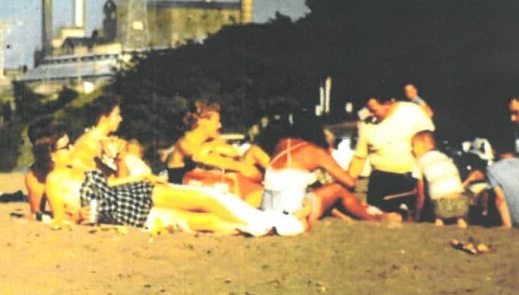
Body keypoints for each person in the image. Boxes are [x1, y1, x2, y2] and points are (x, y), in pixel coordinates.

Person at [41, 123, 305, 236]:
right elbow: (59, 220)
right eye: (63, 147)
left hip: (134, 194)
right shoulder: (54, 180)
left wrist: (142, 178)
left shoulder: (77, 164)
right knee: (203, 219)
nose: (70, 149)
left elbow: (108, 185)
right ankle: (261, 228)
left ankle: (269, 223)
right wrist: (77, 218)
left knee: (204, 201)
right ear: (50, 154)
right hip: (124, 213)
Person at [248, 108, 402, 225]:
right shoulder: (315, 152)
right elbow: (349, 182)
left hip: (268, 208)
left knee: (316, 189)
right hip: (296, 212)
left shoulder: (282, 144)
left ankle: (353, 213)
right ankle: (373, 218)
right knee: (338, 189)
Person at [348, 95, 435, 218]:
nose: (371, 114)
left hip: (412, 180)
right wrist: (347, 183)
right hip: (380, 181)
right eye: (368, 109)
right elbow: (359, 158)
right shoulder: (367, 124)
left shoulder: (412, 112)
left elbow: (429, 144)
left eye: (374, 110)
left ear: (388, 103)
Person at [164, 101, 263, 199]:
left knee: (255, 152)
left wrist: (212, 147)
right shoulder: (186, 144)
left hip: (203, 190)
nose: (220, 125)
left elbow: (232, 153)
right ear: (202, 122)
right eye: (216, 122)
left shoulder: (211, 142)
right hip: (183, 195)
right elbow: (229, 163)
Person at [411, 130, 478, 228]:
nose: (412, 149)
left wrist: (416, 214)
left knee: (437, 212)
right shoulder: (445, 157)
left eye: (413, 145)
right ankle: (461, 222)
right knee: (460, 218)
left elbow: (421, 195)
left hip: (440, 205)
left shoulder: (420, 162)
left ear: (424, 145)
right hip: (461, 201)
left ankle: (439, 222)